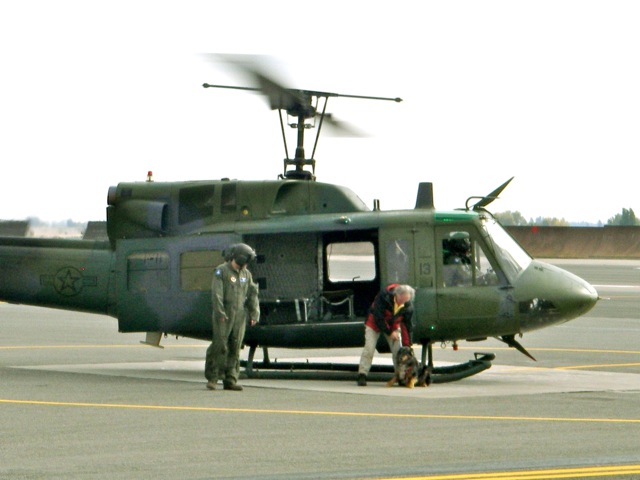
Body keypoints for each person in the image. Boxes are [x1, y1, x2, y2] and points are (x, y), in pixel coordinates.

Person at [205, 243, 260, 391]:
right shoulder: (221, 271)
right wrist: (220, 312)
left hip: (239, 315)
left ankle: (231, 379)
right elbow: (217, 294)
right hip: (224, 314)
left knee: (235, 346)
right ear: (241, 258)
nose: (247, 265)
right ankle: (213, 378)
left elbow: (252, 294)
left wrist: (254, 313)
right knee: (220, 345)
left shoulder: (246, 275)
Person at [357, 283, 415, 386]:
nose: (404, 303)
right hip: (374, 323)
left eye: (406, 301)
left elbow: (407, 325)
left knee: (398, 351)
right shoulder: (383, 297)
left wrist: (408, 344)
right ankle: (362, 374)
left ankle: (400, 376)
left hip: (393, 325)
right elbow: (378, 317)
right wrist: (389, 332)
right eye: (402, 300)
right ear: (397, 295)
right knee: (369, 348)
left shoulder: (407, 305)